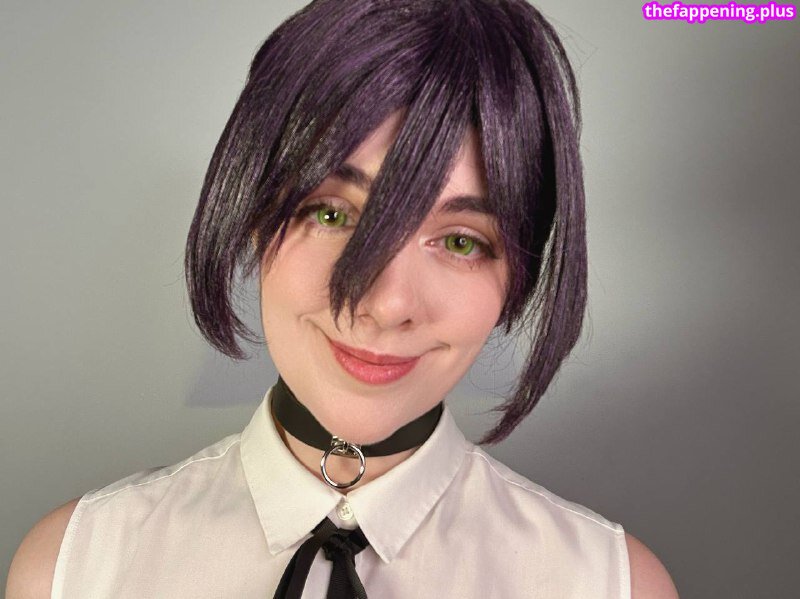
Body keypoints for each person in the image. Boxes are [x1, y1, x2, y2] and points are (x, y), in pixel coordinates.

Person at [7, 0, 679, 597]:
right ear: (254, 216)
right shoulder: (72, 568)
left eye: (462, 241)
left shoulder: (610, 584)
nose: (386, 304)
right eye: (332, 213)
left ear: (518, 277)